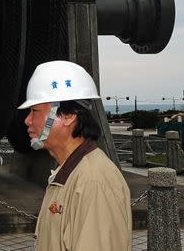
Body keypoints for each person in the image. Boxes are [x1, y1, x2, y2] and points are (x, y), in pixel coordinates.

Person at [19, 60, 131, 250]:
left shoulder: (93, 182)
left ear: (69, 116)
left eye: (35, 111)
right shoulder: (68, 172)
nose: (27, 120)